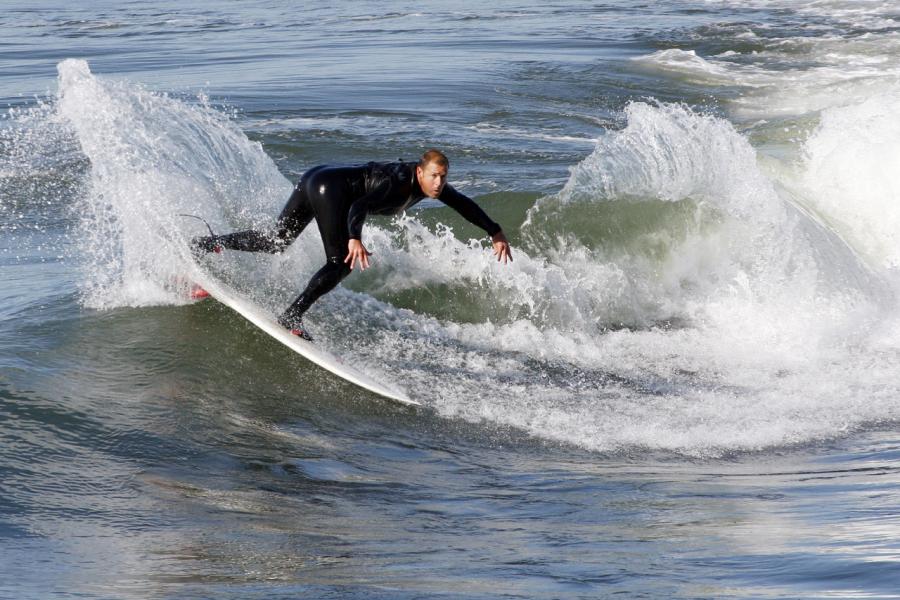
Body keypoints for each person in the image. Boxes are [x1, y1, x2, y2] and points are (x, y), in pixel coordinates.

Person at [191, 149, 513, 340]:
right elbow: (359, 206)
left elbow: (464, 205)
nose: (439, 183)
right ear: (420, 171)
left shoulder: (432, 187)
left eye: (443, 177)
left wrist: (494, 230)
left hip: (317, 178)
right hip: (330, 190)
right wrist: (354, 237)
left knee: (277, 240)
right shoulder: (401, 185)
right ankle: (291, 317)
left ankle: (206, 244)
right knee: (341, 263)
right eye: (434, 176)